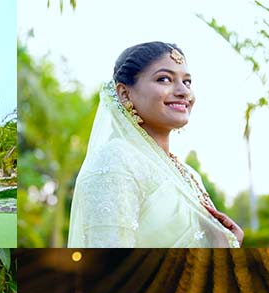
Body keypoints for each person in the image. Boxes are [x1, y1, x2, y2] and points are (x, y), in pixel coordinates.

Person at [67, 41, 242, 248]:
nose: (183, 91)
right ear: (125, 94)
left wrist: (228, 245)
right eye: (164, 79)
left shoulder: (189, 174)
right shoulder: (117, 159)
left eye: (187, 82)